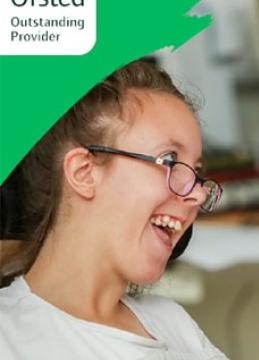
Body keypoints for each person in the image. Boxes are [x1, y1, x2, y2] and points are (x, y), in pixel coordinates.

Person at [0, 61, 229, 359]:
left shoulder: (174, 323)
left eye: (197, 173)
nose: (198, 193)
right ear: (83, 172)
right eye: (170, 161)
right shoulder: (9, 336)